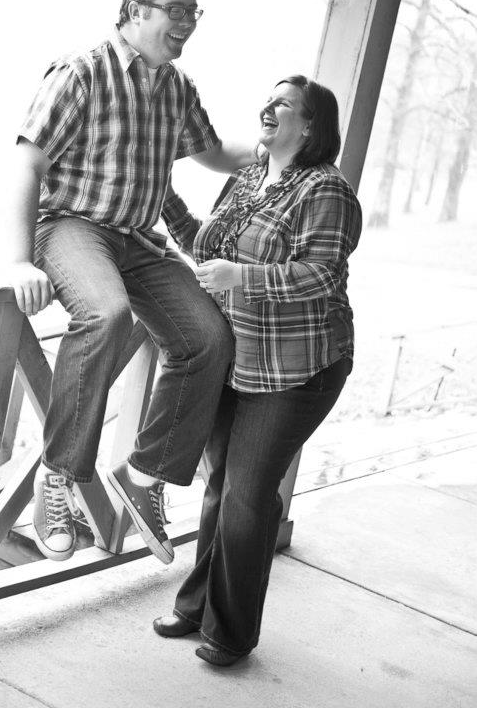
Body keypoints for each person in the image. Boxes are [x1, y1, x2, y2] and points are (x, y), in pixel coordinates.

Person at [10, 0, 255, 565]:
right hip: (71, 226)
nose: (187, 22)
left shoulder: (177, 88)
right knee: (106, 314)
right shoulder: (81, 73)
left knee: (208, 339)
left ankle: (146, 476)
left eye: (193, 12)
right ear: (136, 9)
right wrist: (18, 262)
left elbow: (215, 154)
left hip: (139, 240)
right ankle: (59, 476)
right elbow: (27, 165)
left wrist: (278, 147)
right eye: (176, 10)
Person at [154, 75, 362, 666]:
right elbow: (207, 249)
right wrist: (162, 194)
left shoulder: (326, 189)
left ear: (311, 125)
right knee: (221, 487)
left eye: (284, 103)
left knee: (245, 498)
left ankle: (231, 632)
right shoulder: (247, 177)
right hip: (239, 360)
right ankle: (196, 606)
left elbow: (322, 274)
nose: (267, 108)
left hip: (299, 370)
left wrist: (240, 277)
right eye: (268, 99)